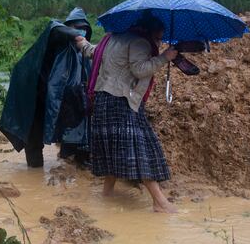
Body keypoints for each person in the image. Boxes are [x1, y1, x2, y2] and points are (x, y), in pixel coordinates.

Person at [77, 14, 179, 213]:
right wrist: (164, 57)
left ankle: (107, 195)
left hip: (103, 100)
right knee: (140, 151)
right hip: (121, 101)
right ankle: (159, 202)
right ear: (149, 31)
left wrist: (81, 42)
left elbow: (93, 52)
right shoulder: (140, 42)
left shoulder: (112, 38)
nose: (159, 41)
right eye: (158, 37)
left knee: (113, 150)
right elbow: (140, 70)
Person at [0, 7, 92, 168]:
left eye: (84, 29)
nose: (81, 31)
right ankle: (34, 173)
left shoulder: (80, 56)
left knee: (76, 124)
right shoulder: (56, 38)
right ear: (68, 27)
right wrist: (78, 37)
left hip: (54, 98)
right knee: (33, 137)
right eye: (77, 28)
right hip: (34, 95)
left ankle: (74, 159)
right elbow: (53, 26)